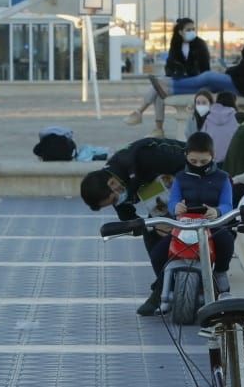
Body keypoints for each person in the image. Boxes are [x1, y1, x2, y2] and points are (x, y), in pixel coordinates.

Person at [80, 135, 188, 316]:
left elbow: (188, 165)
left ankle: (167, 286)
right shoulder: (114, 185)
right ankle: (163, 286)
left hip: (188, 177)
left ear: (112, 184)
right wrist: (152, 226)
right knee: (151, 231)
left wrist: (174, 210)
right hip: (164, 199)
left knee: (168, 228)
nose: (117, 202)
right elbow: (129, 219)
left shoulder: (142, 158)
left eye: (113, 200)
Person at [126, 19, 236, 131]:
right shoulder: (175, 45)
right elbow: (169, 66)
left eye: (193, 29)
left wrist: (188, 71)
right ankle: (157, 127)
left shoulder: (200, 45)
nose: (192, 32)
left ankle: (142, 114)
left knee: (158, 87)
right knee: (159, 91)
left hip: (195, 82)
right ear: (180, 32)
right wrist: (176, 70)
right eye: (188, 30)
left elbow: (205, 71)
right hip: (178, 79)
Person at [165, 131, 236, 296]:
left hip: (212, 225)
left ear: (213, 156)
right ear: (186, 156)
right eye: (193, 161)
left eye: (204, 161)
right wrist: (176, 208)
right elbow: (172, 201)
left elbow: (228, 204)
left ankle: (220, 272)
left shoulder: (223, 178)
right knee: (159, 252)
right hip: (184, 226)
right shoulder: (180, 178)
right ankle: (163, 287)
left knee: (226, 241)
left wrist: (217, 211)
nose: (198, 165)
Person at [199, 90, 240, 163]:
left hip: (211, 159)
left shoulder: (208, 116)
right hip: (231, 160)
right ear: (233, 101)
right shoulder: (237, 118)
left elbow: (202, 138)